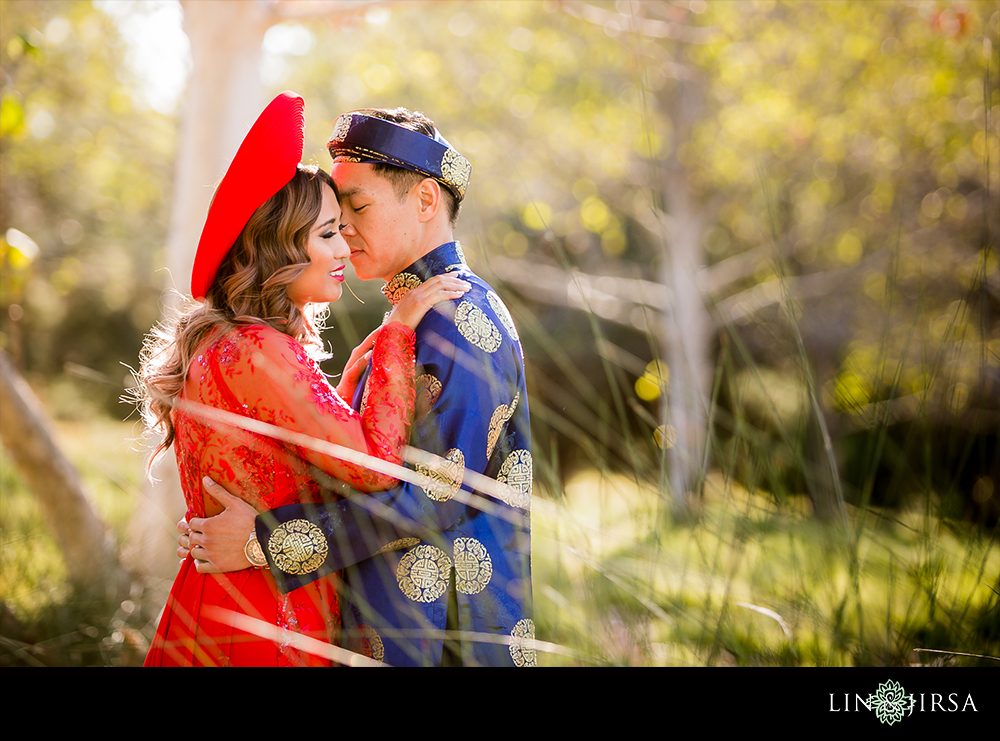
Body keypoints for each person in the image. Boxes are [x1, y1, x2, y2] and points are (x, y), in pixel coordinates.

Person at [179, 108, 535, 666]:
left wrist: (265, 541)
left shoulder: (458, 317)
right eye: (334, 217)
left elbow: (434, 497)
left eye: (358, 207)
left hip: (443, 637)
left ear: (424, 201)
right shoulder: (414, 316)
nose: (343, 231)